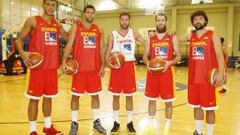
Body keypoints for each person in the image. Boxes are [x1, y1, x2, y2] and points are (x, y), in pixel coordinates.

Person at [16, 0, 68, 135]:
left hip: (52, 68)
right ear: (43, 5)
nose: (50, 7)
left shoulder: (56, 24)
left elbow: (68, 38)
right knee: (34, 99)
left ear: (55, 7)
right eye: (48, 4)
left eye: (53, 5)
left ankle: (48, 127)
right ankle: (32, 130)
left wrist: (76, 25)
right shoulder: (33, 21)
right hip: (37, 68)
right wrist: (23, 53)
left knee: (48, 98)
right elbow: (19, 39)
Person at [178, 10, 224, 135]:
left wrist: (222, 73)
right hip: (193, 80)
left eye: (200, 18)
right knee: (196, 107)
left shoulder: (213, 35)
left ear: (205, 20)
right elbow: (177, 38)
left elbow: (220, 55)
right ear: (193, 22)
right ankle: (198, 131)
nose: (198, 21)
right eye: (195, 19)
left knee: (209, 109)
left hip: (208, 80)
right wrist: (170, 33)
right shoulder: (191, 36)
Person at [62, 5, 106, 135]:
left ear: (94, 14)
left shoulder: (99, 29)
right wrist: (64, 61)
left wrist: (103, 65)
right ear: (84, 14)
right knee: (75, 97)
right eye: (88, 12)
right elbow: (69, 44)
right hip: (79, 70)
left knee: (95, 96)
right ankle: (74, 123)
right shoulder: (77, 27)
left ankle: (96, 121)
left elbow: (101, 48)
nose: (90, 15)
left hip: (94, 69)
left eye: (92, 13)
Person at [105, 12, 146, 134]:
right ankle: (116, 122)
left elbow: (146, 43)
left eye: (126, 20)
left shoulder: (133, 33)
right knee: (115, 96)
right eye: (122, 20)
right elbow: (107, 52)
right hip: (116, 68)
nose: (124, 22)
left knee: (129, 96)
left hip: (129, 66)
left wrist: (146, 56)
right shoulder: (112, 34)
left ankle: (129, 122)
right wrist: (108, 63)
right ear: (119, 20)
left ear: (129, 21)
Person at [142, 13, 181, 135]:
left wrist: (170, 62)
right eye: (158, 20)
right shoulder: (150, 38)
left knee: (168, 102)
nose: (160, 22)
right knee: (151, 101)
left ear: (166, 21)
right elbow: (144, 56)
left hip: (166, 73)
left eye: (162, 20)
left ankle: (167, 126)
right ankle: (151, 124)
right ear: (155, 22)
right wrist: (147, 63)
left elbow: (178, 56)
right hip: (152, 74)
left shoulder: (172, 37)